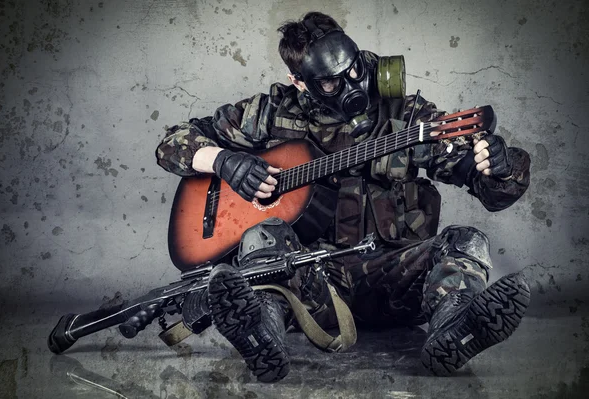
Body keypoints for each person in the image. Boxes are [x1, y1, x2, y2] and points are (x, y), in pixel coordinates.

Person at [156, 12, 531, 382]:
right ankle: (261, 332)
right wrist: (223, 161)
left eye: (354, 70)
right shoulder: (271, 112)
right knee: (261, 236)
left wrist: (500, 168)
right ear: (299, 82)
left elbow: (490, 191)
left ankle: (454, 326)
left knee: (467, 240)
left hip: (396, 279)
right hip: (314, 286)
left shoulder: (406, 113)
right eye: (332, 83)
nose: (353, 86)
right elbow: (172, 144)